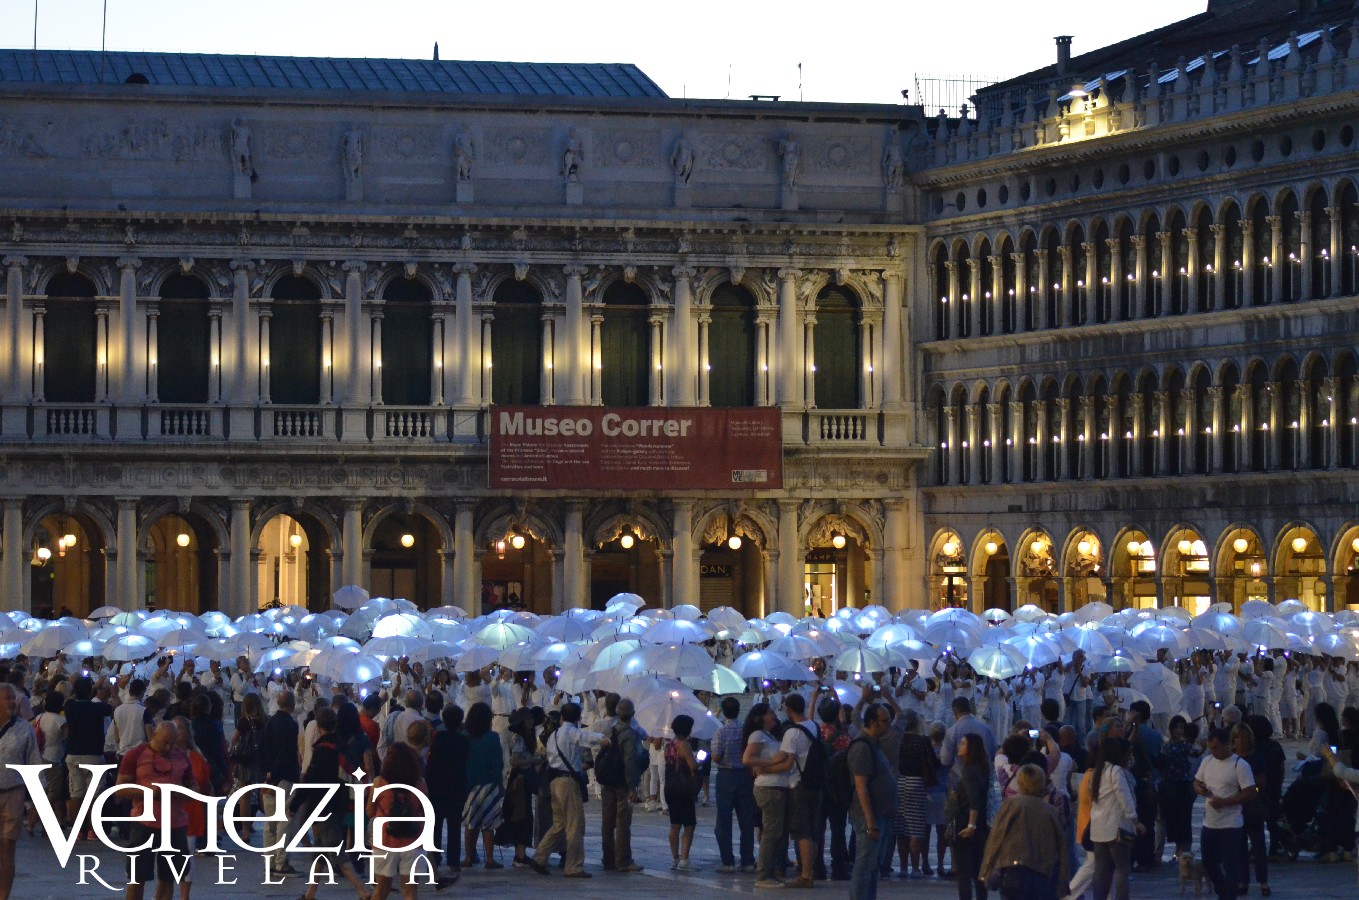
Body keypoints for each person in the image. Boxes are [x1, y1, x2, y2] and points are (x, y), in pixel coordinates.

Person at [527, 700, 607, 878]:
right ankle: (574, 866)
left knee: (559, 824)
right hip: (568, 782)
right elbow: (586, 738)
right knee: (575, 825)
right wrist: (604, 739)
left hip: (554, 782)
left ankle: (539, 857)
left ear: (562, 717)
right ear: (578, 717)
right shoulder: (572, 732)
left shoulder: (553, 735)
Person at [116, 721, 195, 900]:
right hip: (144, 823)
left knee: (170, 877)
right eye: (164, 742)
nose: (168, 747)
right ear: (153, 736)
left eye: (172, 743)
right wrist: (150, 792)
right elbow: (120, 789)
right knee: (138, 877)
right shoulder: (135, 755)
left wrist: (182, 792)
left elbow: (194, 789)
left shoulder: (181, 757)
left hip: (175, 825)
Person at [756, 693, 819, 888]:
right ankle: (809, 870)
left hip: (798, 783)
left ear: (789, 710)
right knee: (811, 830)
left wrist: (760, 765)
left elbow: (784, 758)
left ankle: (806, 875)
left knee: (801, 832)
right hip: (815, 784)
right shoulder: (813, 726)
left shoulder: (791, 733)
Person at [980, 764, 1069, 900]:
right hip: (1042, 872)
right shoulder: (1050, 810)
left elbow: (997, 837)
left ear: (1020, 782)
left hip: (1014, 869)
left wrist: (987, 869)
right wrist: (1063, 879)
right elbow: (1061, 845)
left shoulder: (1012, 804)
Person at [1195, 728, 1256, 900]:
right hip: (1210, 823)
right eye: (1211, 748)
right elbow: (1197, 781)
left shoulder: (1240, 765)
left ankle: (1229, 896)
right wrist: (1199, 788)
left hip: (1231, 824)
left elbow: (1249, 792)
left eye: (1215, 748)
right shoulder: (1207, 761)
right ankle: (1223, 891)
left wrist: (1225, 802)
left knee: (1230, 865)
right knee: (1208, 861)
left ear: (1226, 745)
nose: (1213, 751)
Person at [848, 701, 895, 900]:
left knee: (872, 865)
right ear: (873, 722)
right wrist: (870, 822)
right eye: (885, 721)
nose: (888, 725)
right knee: (864, 864)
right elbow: (861, 786)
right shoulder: (862, 747)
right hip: (869, 816)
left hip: (880, 814)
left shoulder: (875, 744)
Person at [370, 741, 427, 900]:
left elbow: (369, 812)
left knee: (381, 891)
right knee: (410, 892)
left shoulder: (379, 783)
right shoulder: (420, 784)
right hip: (413, 841)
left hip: (385, 841)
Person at [0, 683, 42, 899]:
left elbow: (34, 764)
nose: (12, 702)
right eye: (7, 698)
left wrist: (38, 800)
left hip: (12, 792)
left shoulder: (24, 729)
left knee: (8, 846)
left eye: (13, 698)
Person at [742, 701, 788, 888]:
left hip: (777, 786)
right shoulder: (757, 735)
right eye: (769, 713)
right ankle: (763, 875)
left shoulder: (768, 735)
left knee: (776, 832)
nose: (773, 715)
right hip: (768, 788)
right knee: (771, 832)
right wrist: (772, 762)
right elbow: (747, 759)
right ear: (759, 718)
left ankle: (771, 871)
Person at [597, 697, 644, 873]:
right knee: (623, 822)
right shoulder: (629, 734)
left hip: (608, 781)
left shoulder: (610, 731)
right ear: (632, 714)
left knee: (607, 822)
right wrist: (633, 787)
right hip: (622, 784)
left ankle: (608, 858)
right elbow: (630, 762)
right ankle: (623, 860)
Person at [1089, 737, 1139, 900]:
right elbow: (1124, 797)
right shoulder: (1115, 771)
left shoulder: (1096, 771)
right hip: (1117, 827)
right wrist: (1135, 820)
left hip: (1098, 828)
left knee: (1101, 871)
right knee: (1122, 869)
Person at [711, 695, 757, 873]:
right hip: (744, 775)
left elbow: (716, 756)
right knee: (746, 820)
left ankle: (727, 861)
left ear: (723, 712)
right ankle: (747, 860)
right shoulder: (746, 730)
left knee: (724, 820)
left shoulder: (720, 732)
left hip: (726, 776)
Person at [63, 675, 113, 835]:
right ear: (91, 692)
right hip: (94, 753)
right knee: (95, 793)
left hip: (74, 753)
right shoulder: (97, 708)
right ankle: (92, 829)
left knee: (76, 792)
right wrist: (115, 693)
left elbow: (70, 697)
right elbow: (114, 709)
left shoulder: (70, 706)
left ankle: (78, 829)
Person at [261, 689, 300, 877]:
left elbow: (261, 749)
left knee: (270, 823)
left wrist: (267, 774)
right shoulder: (291, 726)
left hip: (268, 779)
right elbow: (287, 754)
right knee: (284, 823)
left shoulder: (269, 723)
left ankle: (269, 860)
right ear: (291, 705)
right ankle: (281, 862)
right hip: (284, 778)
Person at [425, 704, 466, 877]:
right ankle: (454, 860)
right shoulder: (463, 740)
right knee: (455, 824)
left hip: (438, 784)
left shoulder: (438, 738)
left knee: (436, 823)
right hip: (456, 784)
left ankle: (435, 857)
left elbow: (432, 761)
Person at [462, 702, 504, 869]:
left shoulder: (465, 737)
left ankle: (468, 857)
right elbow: (497, 763)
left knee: (470, 823)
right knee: (488, 823)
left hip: (470, 784)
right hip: (489, 784)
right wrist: (499, 783)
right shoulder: (493, 737)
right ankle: (490, 858)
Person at [952, 732, 992, 900]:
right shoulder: (981, 768)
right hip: (981, 825)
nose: (959, 746)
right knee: (978, 871)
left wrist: (970, 826)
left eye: (963, 743)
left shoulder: (969, 771)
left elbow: (974, 800)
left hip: (966, 824)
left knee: (964, 874)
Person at [665, 714, 701, 869]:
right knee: (689, 824)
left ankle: (675, 857)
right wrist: (699, 761)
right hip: (683, 787)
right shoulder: (683, 744)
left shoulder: (670, 744)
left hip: (671, 785)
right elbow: (692, 766)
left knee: (675, 824)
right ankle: (684, 859)